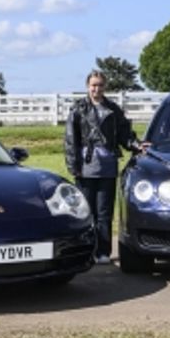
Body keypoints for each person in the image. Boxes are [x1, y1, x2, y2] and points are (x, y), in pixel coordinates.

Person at [63, 70, 141, 264]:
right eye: (93, 85)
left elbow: (125, 134)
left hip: (107, 167)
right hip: (86, 167)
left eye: (100, 85)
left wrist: (136, 145)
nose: (96, 89)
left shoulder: (113, 110)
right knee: (87, 212)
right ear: (88, 86)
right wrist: (74, 166)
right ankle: (86, 251)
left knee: (104, 212)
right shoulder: (78, 109)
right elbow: (70, 140)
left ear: (105, 87)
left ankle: (103, 252)